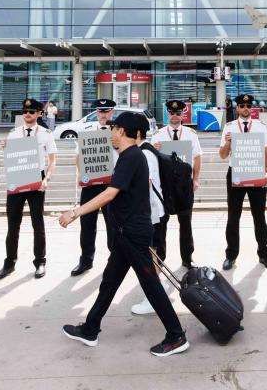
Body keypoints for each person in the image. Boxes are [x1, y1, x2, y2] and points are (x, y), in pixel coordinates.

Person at [59, 111, 189, 357]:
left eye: (114, 129)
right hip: (125, 233)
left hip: (133, 234)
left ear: (126, 132)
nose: (111, 133)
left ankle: (176, 335)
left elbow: (110, 193)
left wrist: (74, 212)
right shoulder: (128, 156)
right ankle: (90, 328)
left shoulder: (131, 157)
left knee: (151, 284)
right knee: (110, 281)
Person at [0, 98, 57, 279]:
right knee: (13, 224)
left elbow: (52, 160)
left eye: (31, 112)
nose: (27, 115)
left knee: (37, 223)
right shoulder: (13, 134)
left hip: (37, 179)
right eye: (24, 111)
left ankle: (40, 262)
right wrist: (4, 146)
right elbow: (10, 156)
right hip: (18, 178)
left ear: (39, 114)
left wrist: (46, 178)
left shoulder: (46, 134)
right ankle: (9, 262)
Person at [220, 93, 267, 271]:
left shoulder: (260, 127)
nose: (245, 108)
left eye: (248, 106)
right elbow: (222, 155)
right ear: (237, 108)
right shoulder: (229, 127)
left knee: (259, 216)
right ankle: (231, 255)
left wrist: (266, 172)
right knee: (233, 217)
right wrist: (228, 142)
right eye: (242, 106)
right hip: (236, 173)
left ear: (252, 108)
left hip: (256, 172)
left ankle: (264, 255)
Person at [149, 99, 203, 268]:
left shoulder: (190, 134)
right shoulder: (157, 135)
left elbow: (197, 157)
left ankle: (187, 258)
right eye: (172, 113)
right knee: (161, 224)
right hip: (164, 187)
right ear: (167, 114)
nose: (174, 116)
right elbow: (150, 159)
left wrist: (195, 179)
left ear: (183, 114)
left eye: (178, 113)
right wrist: (154, 150)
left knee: (186, 223)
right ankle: (160, 258)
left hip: (184, 186)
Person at [71, 98, 118, 276]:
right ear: (96, 113)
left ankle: (114, 260)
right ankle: (86, 260)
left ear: (112, 112)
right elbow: (79, 156)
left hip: (111, 184)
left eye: (106, 111)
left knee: (112, 224)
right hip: (90, 184)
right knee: (87, 223)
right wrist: (80, 174)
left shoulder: (119, 131)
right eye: (100, 111)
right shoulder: (87, 131)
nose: (103, 115)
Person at [130, 128, 168, 315]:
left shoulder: (144, 153)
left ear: (136, 134)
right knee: (153, 255)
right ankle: (157, 291)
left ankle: (153, 299)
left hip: (151, 214)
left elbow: (145, 185)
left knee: (151, 256)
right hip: (153, 213)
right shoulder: (147, 150)